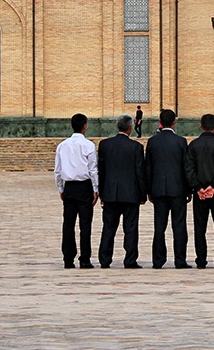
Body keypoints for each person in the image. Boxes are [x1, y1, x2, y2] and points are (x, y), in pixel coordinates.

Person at [97, 113, 146, 269]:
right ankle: (130, 259)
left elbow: (101, 171)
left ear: (117, 126)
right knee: (130, 228)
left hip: (110, 193)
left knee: (108, 227)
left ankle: (104, 259)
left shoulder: (105, 145)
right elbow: (139, 172)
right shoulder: (136, 147)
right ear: (131, 128)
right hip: (131, 194)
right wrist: (142, 194)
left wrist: (101, 193)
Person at [144, 109, 191, 268]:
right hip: (177, 190)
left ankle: (158, 260)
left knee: (159, 226)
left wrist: (149, 190)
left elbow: (148, 168)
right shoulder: (181, 141)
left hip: (158, 190)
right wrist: (188, 190)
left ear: (160, 123)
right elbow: (186, 168)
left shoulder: (152, 142)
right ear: (174, 123)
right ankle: (180, 260)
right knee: (179, 225)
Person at [184, 113, 214, 269]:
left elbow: (189, 168)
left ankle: (201, 260)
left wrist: (198, 188)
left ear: (201, 126)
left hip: (200, 194)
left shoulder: (193, 145)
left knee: (200, 227)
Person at [54, 113, 99, 269]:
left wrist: (61, 188)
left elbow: (58, 171)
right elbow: (93, 170)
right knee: (85, 225)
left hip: (70, 188)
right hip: (84, 187)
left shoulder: (62, 145)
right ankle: (85, 259)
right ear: (85, 126)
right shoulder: (88, 145)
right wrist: (95, 189)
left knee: (68, 224)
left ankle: (68, 258)